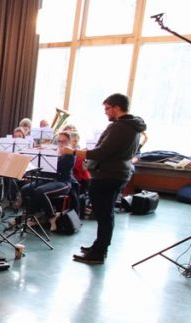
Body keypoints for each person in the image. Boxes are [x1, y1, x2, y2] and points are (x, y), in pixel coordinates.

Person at [59, 93, 146, 264]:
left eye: (107, 109)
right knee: (106, 214)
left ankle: (98, 252)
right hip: (118, 173)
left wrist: (74, 152)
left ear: (116, 108)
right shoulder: (134, 126)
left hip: (108, 175)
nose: (106, 112)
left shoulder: (120, 127)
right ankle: (99, 246)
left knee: (103, 214)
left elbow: (101, 152)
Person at [20, 131, 78, 222]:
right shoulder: (54, 152)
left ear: (69, 142)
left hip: (63, 182)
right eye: (59, 141)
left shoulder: (71, 154)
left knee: (40, 191)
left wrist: (54, 156)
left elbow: (59, 168)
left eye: (64, 141)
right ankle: (32, 213)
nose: (61, 143)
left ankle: (51, 216)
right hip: (47, 180)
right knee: (25, 189)